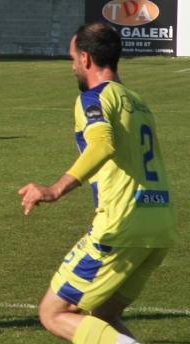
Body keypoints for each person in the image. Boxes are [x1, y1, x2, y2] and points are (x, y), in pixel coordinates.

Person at [18, 22, 175, 344]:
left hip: (121, 223)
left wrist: (54, 189)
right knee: (103, 318)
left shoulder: (94, 97)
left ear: (86, 59)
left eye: (73, 58)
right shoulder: (136, 100)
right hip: (160, 223)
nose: (73, 65)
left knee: (53, 314)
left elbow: (102, 144)